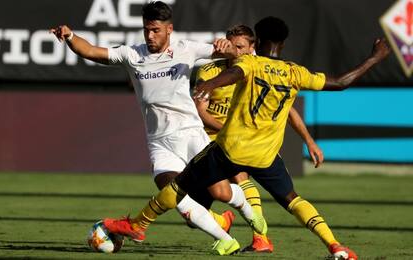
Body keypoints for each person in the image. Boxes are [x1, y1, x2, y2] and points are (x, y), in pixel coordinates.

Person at [125, 16, 390, 258]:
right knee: (293, 200)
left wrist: (211, 84)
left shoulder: (249, 63)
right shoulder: (295, 72)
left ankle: (138, 224)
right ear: (283, 44)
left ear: (258, 42)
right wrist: (375, 58)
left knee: (179, 185)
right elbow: (341, 82)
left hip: (231, 148)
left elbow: (234, 73)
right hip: (265, 155)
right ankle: (336, 246)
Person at [50, 0, 253, 247]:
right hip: (159, 142)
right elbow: (90, 51)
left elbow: (232, 53)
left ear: (169, 29)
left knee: (220, 192)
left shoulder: (186, 49)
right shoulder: (132, 54)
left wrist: (227, 47)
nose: (149, 35)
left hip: (191, 135)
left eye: (155, 30)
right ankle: (226, 240)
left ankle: (257, 224)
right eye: (146, 29)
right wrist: (70, 36)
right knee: (173, 195)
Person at [194, 24, 324, 253]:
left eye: (241, 47)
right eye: (232, 46)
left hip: (242, 143)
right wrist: (228, 128)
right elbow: (200, 111)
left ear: (252, 47)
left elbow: (290, 111)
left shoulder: (258, 69)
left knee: (242, 179)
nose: (237, 51)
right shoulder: (209, 71)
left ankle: (260, 238)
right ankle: (223, 221)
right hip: (212, 139)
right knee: (202, 200)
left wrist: (309, 140)